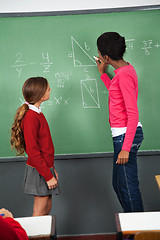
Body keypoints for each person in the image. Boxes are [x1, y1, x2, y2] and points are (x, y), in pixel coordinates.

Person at [95, 32, 144, 212]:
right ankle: (132, 228)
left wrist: (126, 147)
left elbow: (133, 112)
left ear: (106, 57)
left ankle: (137, 233)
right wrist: (103, 75)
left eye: (100, 53)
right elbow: (117, 96)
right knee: (118, 184)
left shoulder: (123, 75)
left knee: (128, 188)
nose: (99, 56)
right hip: (124, 134)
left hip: (125, 136)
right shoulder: (125, 70)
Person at [10, 77, 60, 216]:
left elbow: (45, 147)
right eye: (48, 88)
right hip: (39, 169)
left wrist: (52, 170)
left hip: (45, 168)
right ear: (40, 94)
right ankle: (34, 238)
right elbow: (32, 151)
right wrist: (48, 176)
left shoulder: (37, 113)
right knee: (40, 209)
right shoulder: (31, 117)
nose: (50, 90)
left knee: (47, 207)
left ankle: (43, 237)